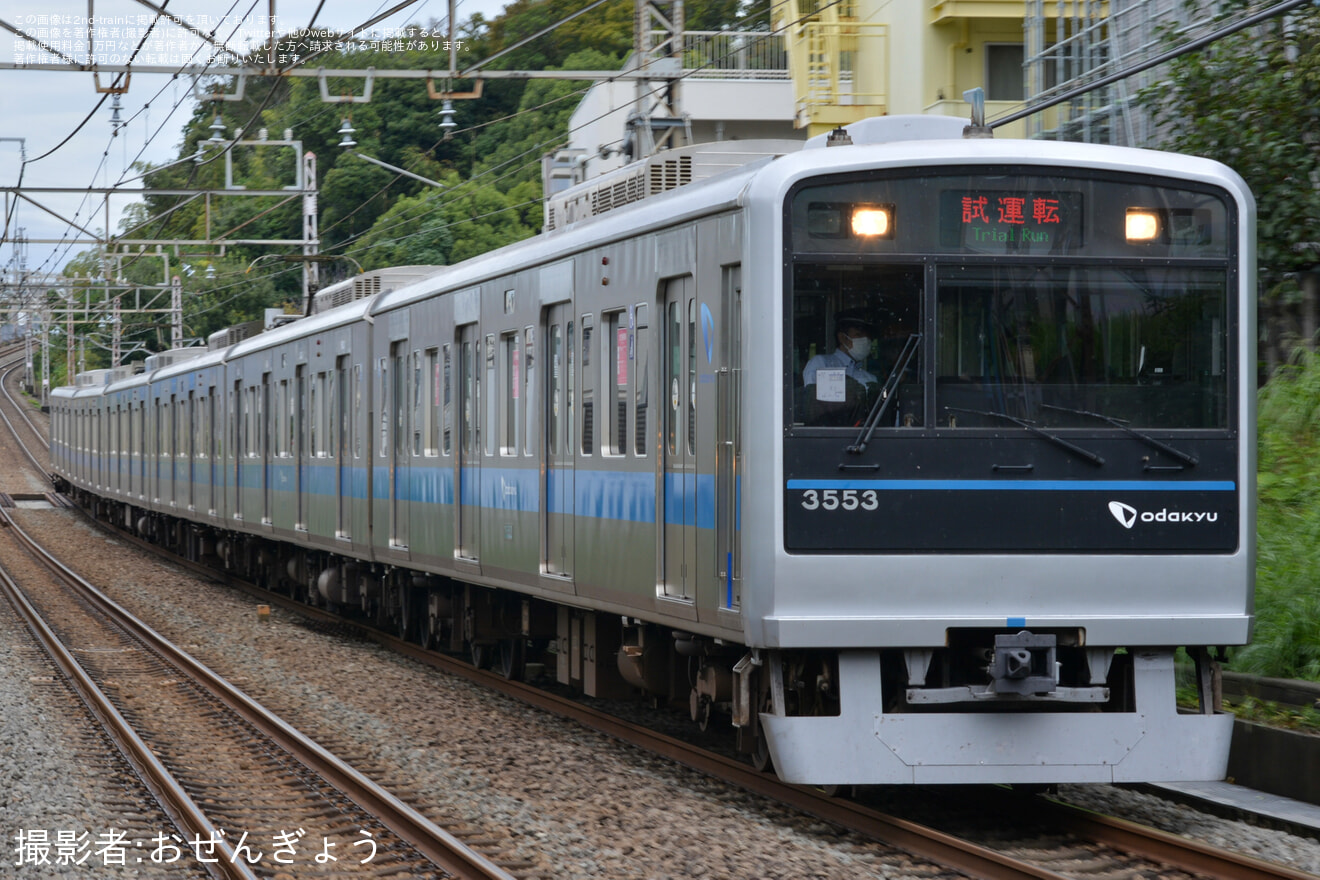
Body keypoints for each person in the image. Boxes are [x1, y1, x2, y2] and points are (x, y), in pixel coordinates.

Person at [802, 309, 878, 389]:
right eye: (858, 335)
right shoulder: (822, 364)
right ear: (842, 337)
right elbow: (813, 397)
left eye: (868, 337)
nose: (865, 340)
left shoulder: (870, 379)